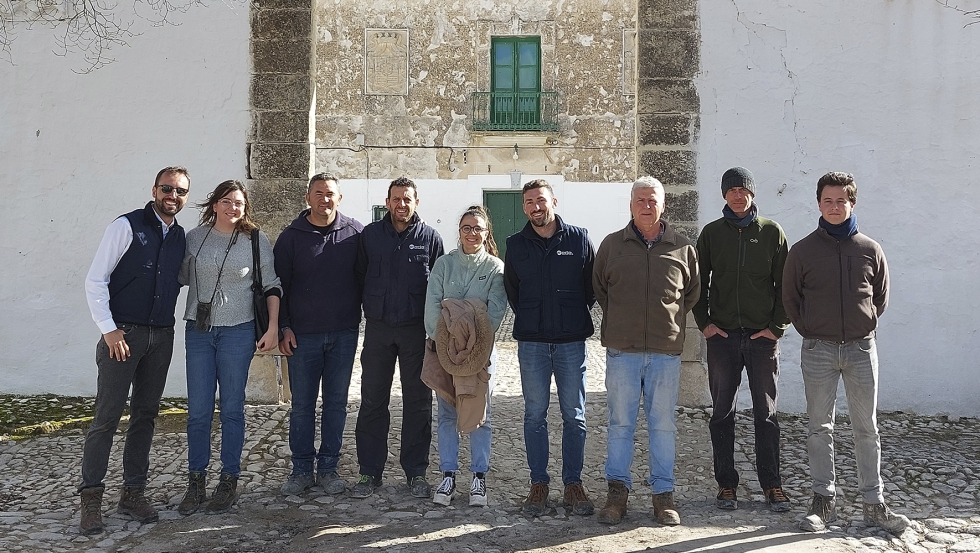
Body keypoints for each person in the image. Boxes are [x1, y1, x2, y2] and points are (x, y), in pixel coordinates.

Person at [783, 171, 910, 535]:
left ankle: (874, 503)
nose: (834, 207)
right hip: (818, 350)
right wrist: (811, 329)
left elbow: (880, 298)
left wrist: (861, 325)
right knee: (819, 428)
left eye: (841, 200)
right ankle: (823, 503)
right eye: (828, 200)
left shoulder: (870, 249)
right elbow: (791, 300)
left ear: (852, 203)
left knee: (866, 428)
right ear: (819, 203)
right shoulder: (802, 251)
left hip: (860, 349)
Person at [79, 166, 190, 535]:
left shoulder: (179, 237)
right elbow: (96, 279)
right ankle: (91, 499)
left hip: (161, 336)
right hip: (123, 335)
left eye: (180, 191)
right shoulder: (125, 226)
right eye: (167, 188)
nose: (173, 196)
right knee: (106, 418)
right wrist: (109, 330)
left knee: (145, 416)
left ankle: (133, 493)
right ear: (154, 189)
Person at [592, 176, 699, 526]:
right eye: (640, 200)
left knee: (663, 425)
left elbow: (691, 295)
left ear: (663, 204)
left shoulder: (683, 247)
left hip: (665, 352)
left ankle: (663, 496)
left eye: (653, 200)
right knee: (620, 424)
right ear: (631, 204)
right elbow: (600, 290)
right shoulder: (611, 246)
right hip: (622, 351)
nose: (646, 206)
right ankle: (617, 495)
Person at [177, 180, 281, 515]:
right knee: (198, 410)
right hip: (199, 330)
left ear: (244, 206)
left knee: (232, 408)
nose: (232, 208)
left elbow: (271, 284)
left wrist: (274, 327)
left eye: (238, 203)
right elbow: (176, 276)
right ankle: (196, 482)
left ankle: (228, 479)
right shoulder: (195, 237)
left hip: (238, 332)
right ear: (214, 205)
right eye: (226, 201)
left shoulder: (255, 240)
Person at [693, 167, 791, 512]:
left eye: (743, 190)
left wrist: (777, 326)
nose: (738, 195)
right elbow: (697, 283)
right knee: (722, 413)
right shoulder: (711, 234)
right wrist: (704, 324)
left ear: (752, 194)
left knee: (766, 414)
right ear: (724, 195)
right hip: (722, 338)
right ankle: (726, 485)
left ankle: (772, 484)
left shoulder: (771, 233)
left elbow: (786, 287)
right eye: (732, 190)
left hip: (762, 338)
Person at [503, 179, 597, 517]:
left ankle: (573, 483)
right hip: (532, 343)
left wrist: (569, 312)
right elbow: (512, 290)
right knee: (534, 415)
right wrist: (533, 316)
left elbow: (591, 287)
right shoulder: (515, 245)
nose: (535, 207)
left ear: (553, 201)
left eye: (540, 200)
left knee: (575, 416)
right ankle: (539, 484)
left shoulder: (579, 238)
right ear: (524, 207)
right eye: (528, 202)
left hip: (571, 341)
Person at [353, 177, 445, 499]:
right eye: (396, 199)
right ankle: (369, 471)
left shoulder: (430, 239)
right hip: (378, 331)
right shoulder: (370, 236)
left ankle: (416, 472)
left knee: (418, 403)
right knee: (373, 401)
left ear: (416, 202)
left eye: (407, 199)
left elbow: (439, 287)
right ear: (387, 201)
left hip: (414, 332)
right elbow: (360, 276)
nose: (401, 205)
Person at [274, 173, 364, 496]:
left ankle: (328, 467)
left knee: (336, 403)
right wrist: (283, 327)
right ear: (308, 198)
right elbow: (277, 287)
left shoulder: (355, 234)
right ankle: (301, 469)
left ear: (339, 199)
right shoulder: (290, 238)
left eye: (330, 194)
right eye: (318, 193)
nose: (324, 199)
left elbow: (366, 279)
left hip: (343, 333)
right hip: (302, 337)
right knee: (301, 406)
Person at [425, 206, 507, 507]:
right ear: (459, 231)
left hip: (480, 352)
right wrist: (446, 339)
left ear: (486, 234)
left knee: (480, 414)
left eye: (478, 228)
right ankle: (447, 474)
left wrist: (475, 343)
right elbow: (433, 304)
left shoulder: (496, 267)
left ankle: (478, 477)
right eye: (466, 227)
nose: (472, 233)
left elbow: (496, 310)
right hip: (445, 350)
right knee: (447, 412)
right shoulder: (444, 265)